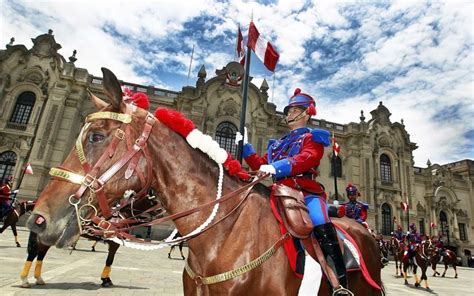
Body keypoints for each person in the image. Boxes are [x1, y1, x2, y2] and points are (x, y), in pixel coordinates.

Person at [238, 88, 349, 294]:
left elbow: (307, 158)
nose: (288, 113)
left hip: (306, 193)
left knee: (319, 220)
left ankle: (340, 284)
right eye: (288, 110)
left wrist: (277, 167)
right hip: (279, 191)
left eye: (294, 110)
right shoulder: (278, 144)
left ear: (306, 113)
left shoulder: (312, 138)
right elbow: (260, 163)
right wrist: (246, 147)